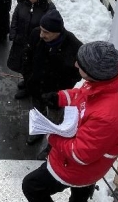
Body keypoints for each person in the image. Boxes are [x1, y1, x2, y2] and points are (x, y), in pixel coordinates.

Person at [21, 41, 118, 202]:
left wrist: (52, 137)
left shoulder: (110, 116)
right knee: (82, 189)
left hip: (78, 167)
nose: (76, 65)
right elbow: (86, 95)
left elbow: (81, 154)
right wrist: (61, 97)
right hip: (93, 166)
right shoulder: (110, 79)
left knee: (31, 186)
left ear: (95, 73)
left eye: (81, 64)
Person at [20, 10, 83, 146]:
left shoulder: (75, 47)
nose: (41, 34)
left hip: (56, 95)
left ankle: (52, 145)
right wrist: (28, 78)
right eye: (41, 30)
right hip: (36, 87)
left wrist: (60, 90)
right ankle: (37, 131)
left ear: (58, 31)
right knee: (37, 112)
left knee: (55, 121)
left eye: (46, 32)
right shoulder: (36, 34)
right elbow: (27, 56)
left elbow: (77, 74)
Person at [7, 0, 55, 87]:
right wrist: (13, 33)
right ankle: (26, 81)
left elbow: (51, 27)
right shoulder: (23, 3)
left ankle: (30, 87)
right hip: (21, 41)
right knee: (23, 64)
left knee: (33, 66)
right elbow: (15, 17)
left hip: (36, 45)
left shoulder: (48, 8)